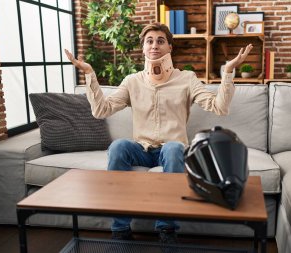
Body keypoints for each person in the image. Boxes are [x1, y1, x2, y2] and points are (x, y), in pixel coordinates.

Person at [65, 22, 253, 243]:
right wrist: (89, 74)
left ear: (170, 48)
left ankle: (167, 229)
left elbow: (219, 107)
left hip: (172, 148)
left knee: (174, 148)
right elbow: (101, 110)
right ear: (143, 48)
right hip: (141, 149)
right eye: (149, 41)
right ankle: (120, 229)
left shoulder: (187, 79)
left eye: (161, 41)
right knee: (118, 146)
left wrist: (228, 71)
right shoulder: (132, 81)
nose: (155, 45)